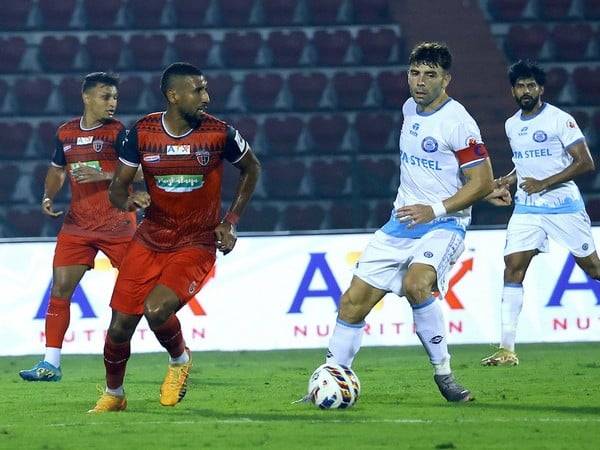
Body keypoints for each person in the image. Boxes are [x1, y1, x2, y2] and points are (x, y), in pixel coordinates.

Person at [322, 42, 495, 402]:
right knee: (352, 303)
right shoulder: (409, 109)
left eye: (430, 75)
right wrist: (473, 190)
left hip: (443, 224)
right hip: (401, 222)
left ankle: (444, 375)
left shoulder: (459, 122)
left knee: (418, 283)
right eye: (415, 73)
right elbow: (460, 179)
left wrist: (438, 208)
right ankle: (332, 379)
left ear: (446, 79)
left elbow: (482, 180)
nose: (420, 81)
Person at [88, 62, 261, 412]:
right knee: (119, 327)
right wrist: (130, 199)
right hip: (150, 238)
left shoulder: (219, 133)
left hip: (196, 242)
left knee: (156, 309)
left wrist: (230, 221)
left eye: (205, 89)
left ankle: (180, 361)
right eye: (198, 90)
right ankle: (114, 395)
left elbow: (251, 168)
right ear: (173, 94)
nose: (206, 97)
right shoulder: (141, 133)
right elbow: (117, 191)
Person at [19, 72, 142, 382]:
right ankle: (51, 363)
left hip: (118, 224)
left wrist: (102, 174)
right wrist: (48, 195)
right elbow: (57, 170)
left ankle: (176, 354)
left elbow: (141, 172)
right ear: (87, 97)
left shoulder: (120, 134)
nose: (112, 103)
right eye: (105, 96)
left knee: (144, 292)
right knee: (60, 290)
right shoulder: (66, 133)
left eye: (115, 97)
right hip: (78, 226)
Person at [481, 60, 599, 366]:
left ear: (541, 89)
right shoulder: (512, 125)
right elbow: (524, 164)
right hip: (528, 208)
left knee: (594, 269)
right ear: (513, 90)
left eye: (531, 85)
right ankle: (507, 350)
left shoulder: (560, 120)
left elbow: (585, 163)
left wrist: (544, 183)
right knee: (513, 265)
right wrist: (508, 179)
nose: (525, 90)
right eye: (520, 86)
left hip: (563, 207)